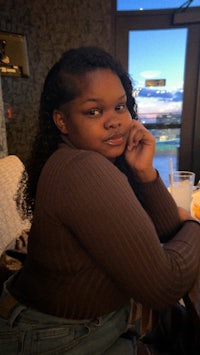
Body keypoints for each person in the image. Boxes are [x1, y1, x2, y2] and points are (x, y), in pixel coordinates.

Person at [0, 46, 200, 354]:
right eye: (94, 111)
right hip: (56, 334)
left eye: (120, 107)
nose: (114, 121)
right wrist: (195, 225)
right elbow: (164, 286)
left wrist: (144, 172)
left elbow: (167, 230)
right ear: (62, 121)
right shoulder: (81, 169)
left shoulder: (91, 160)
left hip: (90, 321)